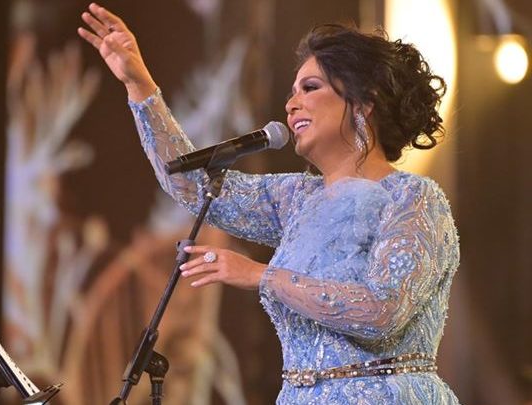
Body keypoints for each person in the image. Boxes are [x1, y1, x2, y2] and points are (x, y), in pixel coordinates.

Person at [78, 3, 461, 403]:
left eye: (310, 88)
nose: (291, 104)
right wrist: (139, 84)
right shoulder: (296, 199)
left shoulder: (414, 199)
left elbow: (382, 310)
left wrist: (261, 275)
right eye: (292, 92)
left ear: (365, 101)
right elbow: (192, 185)